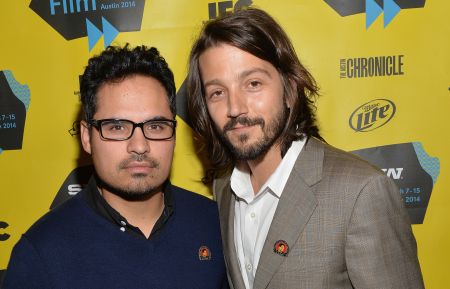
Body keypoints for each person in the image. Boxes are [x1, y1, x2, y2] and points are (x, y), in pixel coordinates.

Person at [186, 8, 424, 289]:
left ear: (290, 89)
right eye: (217, 92)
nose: (235, 108)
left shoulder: (361, 193)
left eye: (253, 84)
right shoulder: (225, 188)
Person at [3, 44, 228, 289]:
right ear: (87, 137)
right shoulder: (40, 255)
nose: (140, 146)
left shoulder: (215, 224)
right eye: (117, 127)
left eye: (156, 126)